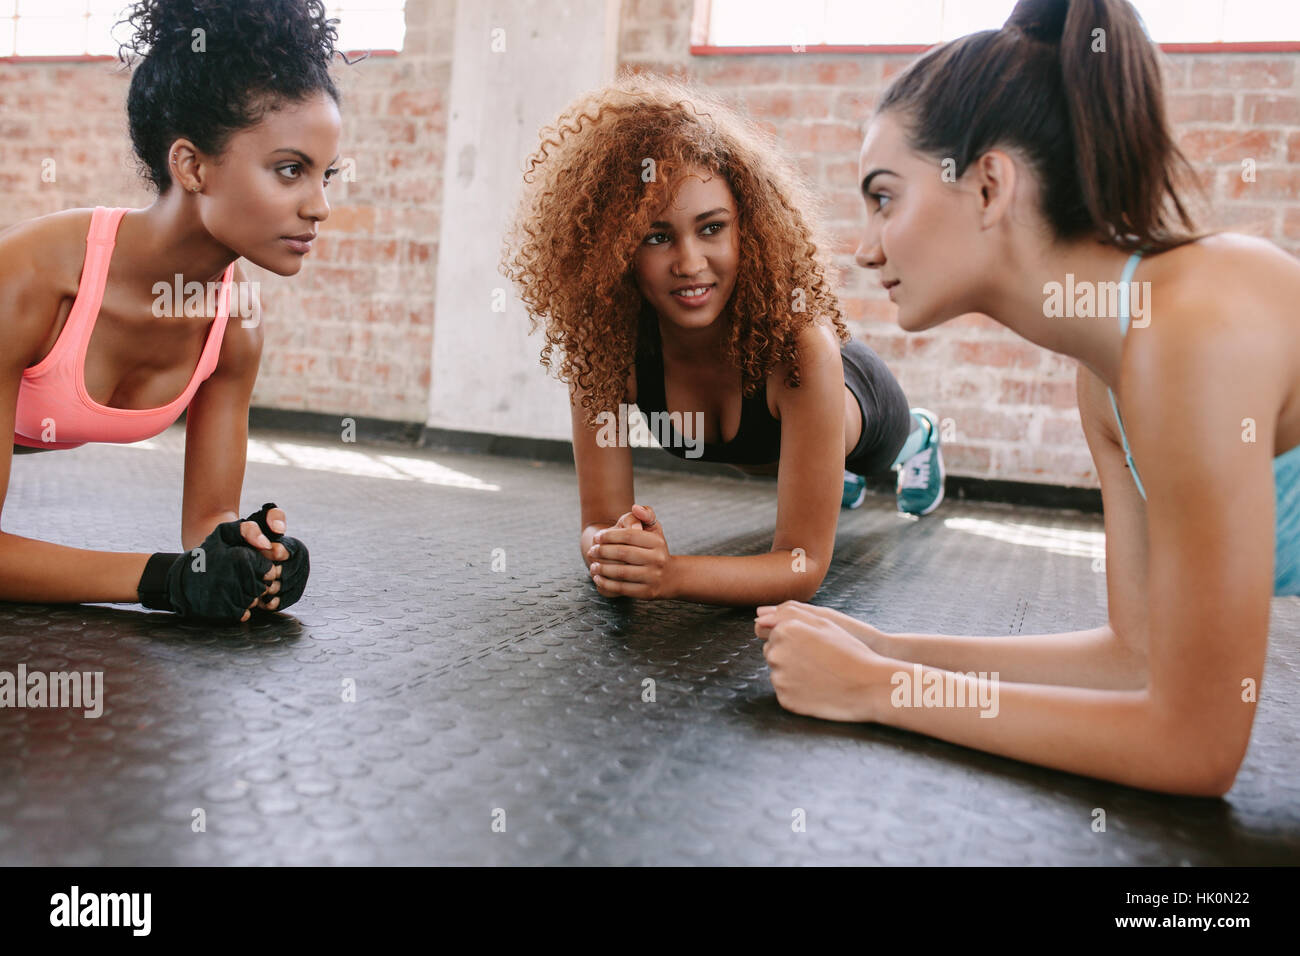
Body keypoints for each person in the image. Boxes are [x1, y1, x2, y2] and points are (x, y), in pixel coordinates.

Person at [756, 0, 1300, 796]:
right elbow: (1133, 659)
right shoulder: (1109, 376)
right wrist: (886, 650)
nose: (866, 248)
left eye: (884, 197)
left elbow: (1195, 746)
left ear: (987, 187)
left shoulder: (1191, 331)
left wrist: (878, 692)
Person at [503, 74, 945, 607]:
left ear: (748, 229)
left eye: (711, 227)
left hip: (860, 399)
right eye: (657, 236)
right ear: (614, 249)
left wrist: (670, 575)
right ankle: (821, 480)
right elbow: (597, 522)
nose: (690, 264)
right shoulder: (606, 350)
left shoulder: (802, 351)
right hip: (765, 450)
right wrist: (615, 548)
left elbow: (801, 567)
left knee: (873, 454)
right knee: (782, 462)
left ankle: (917, 438)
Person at [0, 0, 348, 623]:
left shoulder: (235, 321)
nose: (319, 206)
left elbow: (206, 525)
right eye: (290, 170)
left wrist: (250, 557)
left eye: (327, 174)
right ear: (190, 165)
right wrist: (164, 580)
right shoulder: (31, 276)